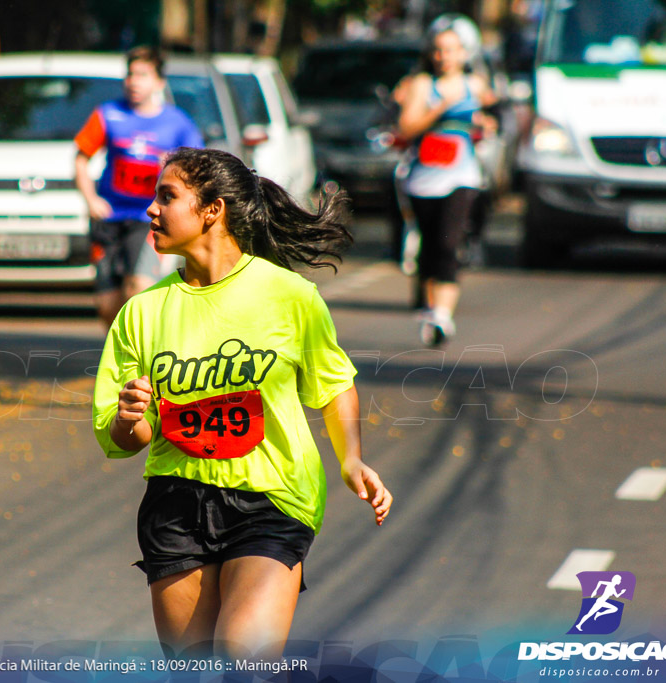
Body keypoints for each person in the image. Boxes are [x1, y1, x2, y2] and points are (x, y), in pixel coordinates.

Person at [92, 148, 392, 660]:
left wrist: (351, 458)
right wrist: (131, 417)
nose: (151, 210)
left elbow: (333, 381)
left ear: (212, 210)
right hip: (177, 503)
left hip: (271, 498)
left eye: (167, 197)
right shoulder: (141, 314)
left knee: (245, 656)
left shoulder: (289, 296)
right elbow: (122, 442)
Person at [74, 45, 204, 328]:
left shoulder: (178, 122)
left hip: (149, 220)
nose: (134, 81)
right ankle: (121, 359)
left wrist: (172, 166)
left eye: (142, 75)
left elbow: (198, 169)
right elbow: (81, 159)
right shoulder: (108, 114)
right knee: (107, 305)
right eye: (130, 74)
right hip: (108, 219)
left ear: (159, 82)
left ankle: (143, 362)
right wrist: (90, 199)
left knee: (139, 290)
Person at [397, 14, 496, 345]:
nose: (445, 56)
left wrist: (487, 124)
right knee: (429, 246)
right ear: (431, 53)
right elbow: (407, 128)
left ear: (464, 53)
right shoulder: (423, 85)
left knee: (449, 242)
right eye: (439, 50)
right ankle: (430, 308)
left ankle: (442, 314)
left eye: (452, 50)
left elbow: (494, 116)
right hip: (425, 177)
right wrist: (438, 110)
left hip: (462, 174)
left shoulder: (477, 85)